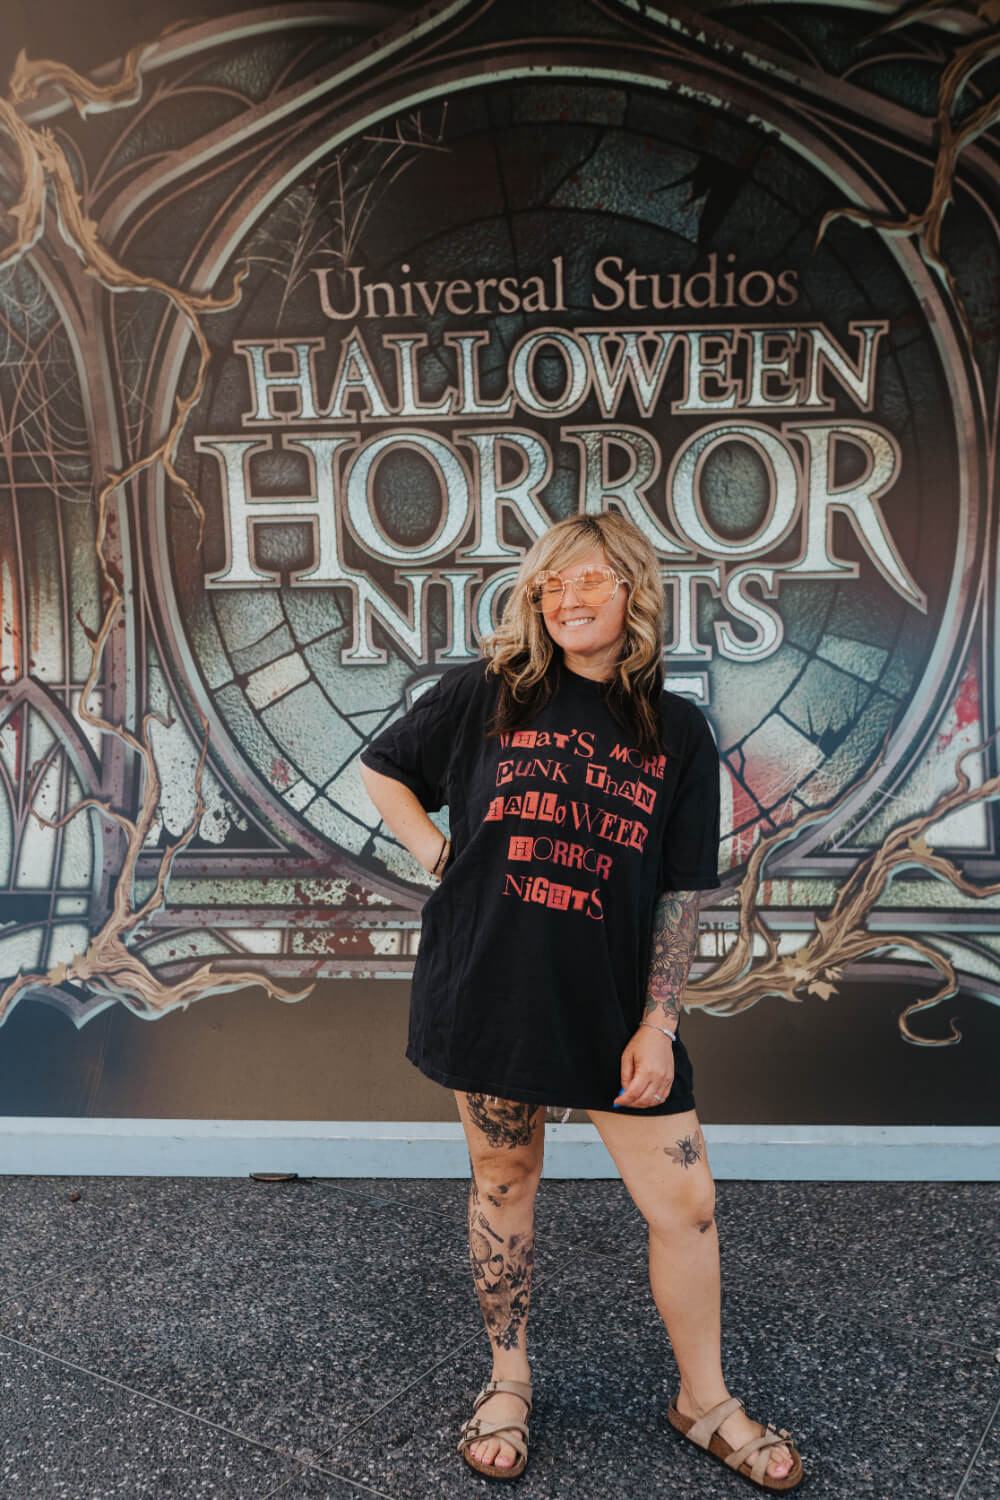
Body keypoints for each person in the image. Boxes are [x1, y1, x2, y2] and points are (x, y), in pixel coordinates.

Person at [358, 511, 803, 1490]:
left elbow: (680, 892)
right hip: (490, 987)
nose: (567, 598)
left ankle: (704, 1401)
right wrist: (435, 851)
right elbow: (384, 768)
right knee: (503, 1183)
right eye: (551, 583)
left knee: (686, 1202)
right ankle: (508, 1382)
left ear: (633, 592)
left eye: (591, 579)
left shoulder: (676, 730)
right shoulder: (486, 693)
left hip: (611, 1006)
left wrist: (659, 1023)